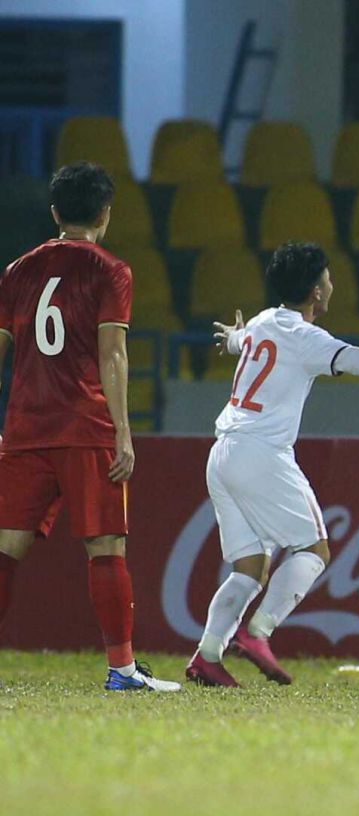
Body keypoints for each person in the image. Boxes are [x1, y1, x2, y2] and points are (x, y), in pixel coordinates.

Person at [184, 242, 359, 687]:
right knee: (314, 549)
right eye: (327, 278)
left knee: (250, 566)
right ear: (316, 292)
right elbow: (354, 358)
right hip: (262, 453)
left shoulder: (264, 321)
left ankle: (208, 656)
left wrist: (230, 338)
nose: (331, 285)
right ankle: (258, 633)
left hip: (222, 453)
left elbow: (239, 341)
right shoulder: (307, 338)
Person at [0, 161, 180, 691]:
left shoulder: (16, 271)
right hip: (85, 426)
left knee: (5, 547)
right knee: (105, 548)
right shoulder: (110, 270)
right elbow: (114, 354)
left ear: (55, 212)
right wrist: (123, 430)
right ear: (105, 213)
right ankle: (122, 670)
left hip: (27, 429)